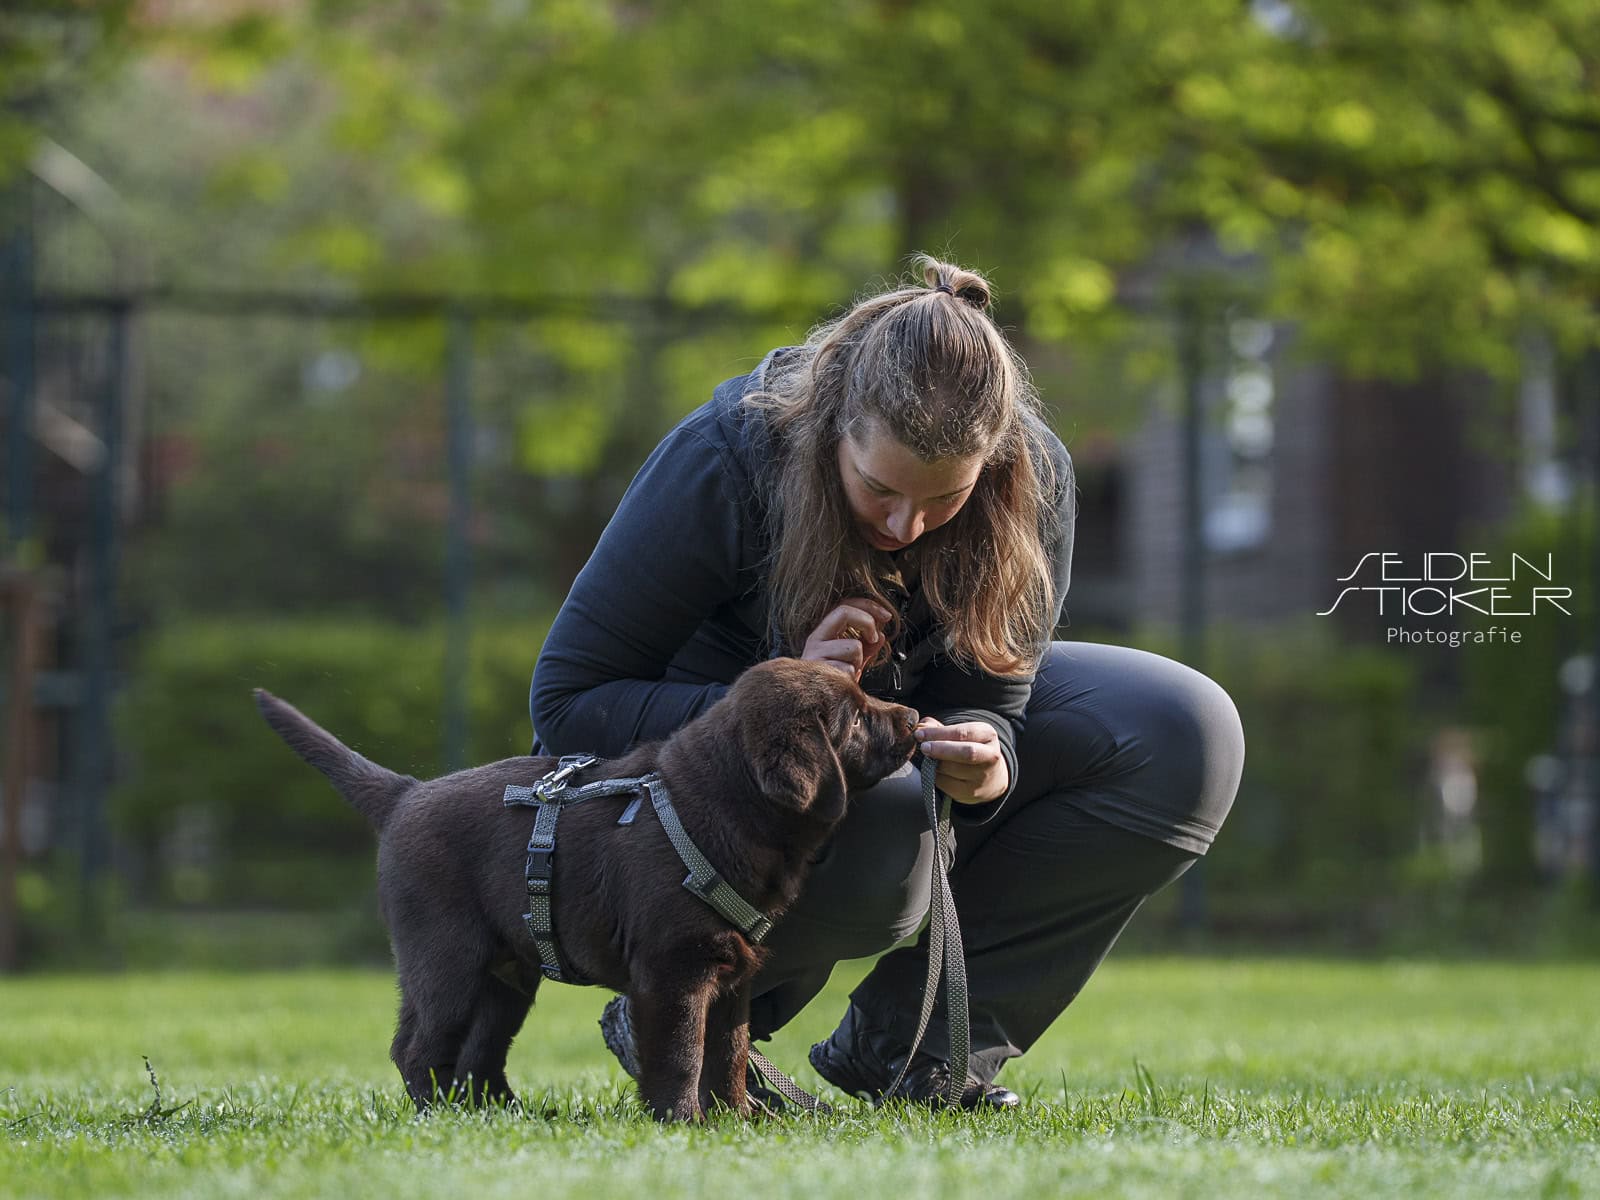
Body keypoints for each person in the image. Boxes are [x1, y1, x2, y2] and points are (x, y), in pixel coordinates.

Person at [530, 255, 1245, 1110]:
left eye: (946, 499)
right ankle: (704, 1003)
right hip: (700, 791)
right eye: (879, 488)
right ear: (833, 423)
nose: (907, 525)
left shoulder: (1033, 479)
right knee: (888, 813)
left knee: (1181, 729)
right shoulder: (727, 457)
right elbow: (568, 704)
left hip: (889, 745)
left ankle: (919, 1049)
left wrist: (993, 757)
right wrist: (784, 695)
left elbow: (992, 695)